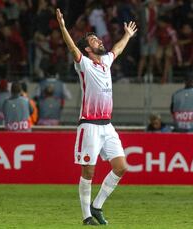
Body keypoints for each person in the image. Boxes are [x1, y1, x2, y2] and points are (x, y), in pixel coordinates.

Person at [57, 8, 137, 225]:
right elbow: (71, 46)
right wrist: (63, 27)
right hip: (89, 125)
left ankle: (97, 205)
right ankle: (86, 217)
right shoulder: (83, 63)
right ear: (87, 48)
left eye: (99, 39)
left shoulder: (106, 62)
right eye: (94, 40)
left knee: (121, 167)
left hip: (107, 125)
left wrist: (127, 36)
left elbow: (117, 49)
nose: (100, 41)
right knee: (89, 171)